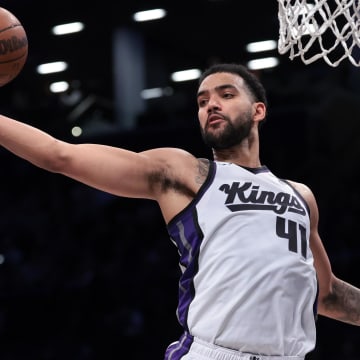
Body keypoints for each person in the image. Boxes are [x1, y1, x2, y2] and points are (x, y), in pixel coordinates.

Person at [1, 62, 360, 360]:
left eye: (226, 95)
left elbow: (325, 295)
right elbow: (58, 154)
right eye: (202, 101)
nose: (211, 105)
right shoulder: (186, 172)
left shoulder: (300, 196)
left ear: (258, 111)